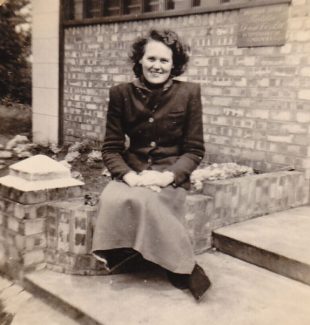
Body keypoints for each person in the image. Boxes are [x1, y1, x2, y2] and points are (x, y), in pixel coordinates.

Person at [92, 29, 211, 301]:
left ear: (174, 65)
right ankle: (123, 252)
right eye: (151, 59)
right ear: (140, 60)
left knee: (150, 201)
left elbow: (194, 150)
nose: (157, 66)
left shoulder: (190, 93)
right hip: (133, 171)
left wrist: (166, 177)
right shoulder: (120, 93)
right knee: (113, 198)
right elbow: (110, 148)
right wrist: (130, 177)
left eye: (164, 61)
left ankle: (179, 267)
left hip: (171, 173)